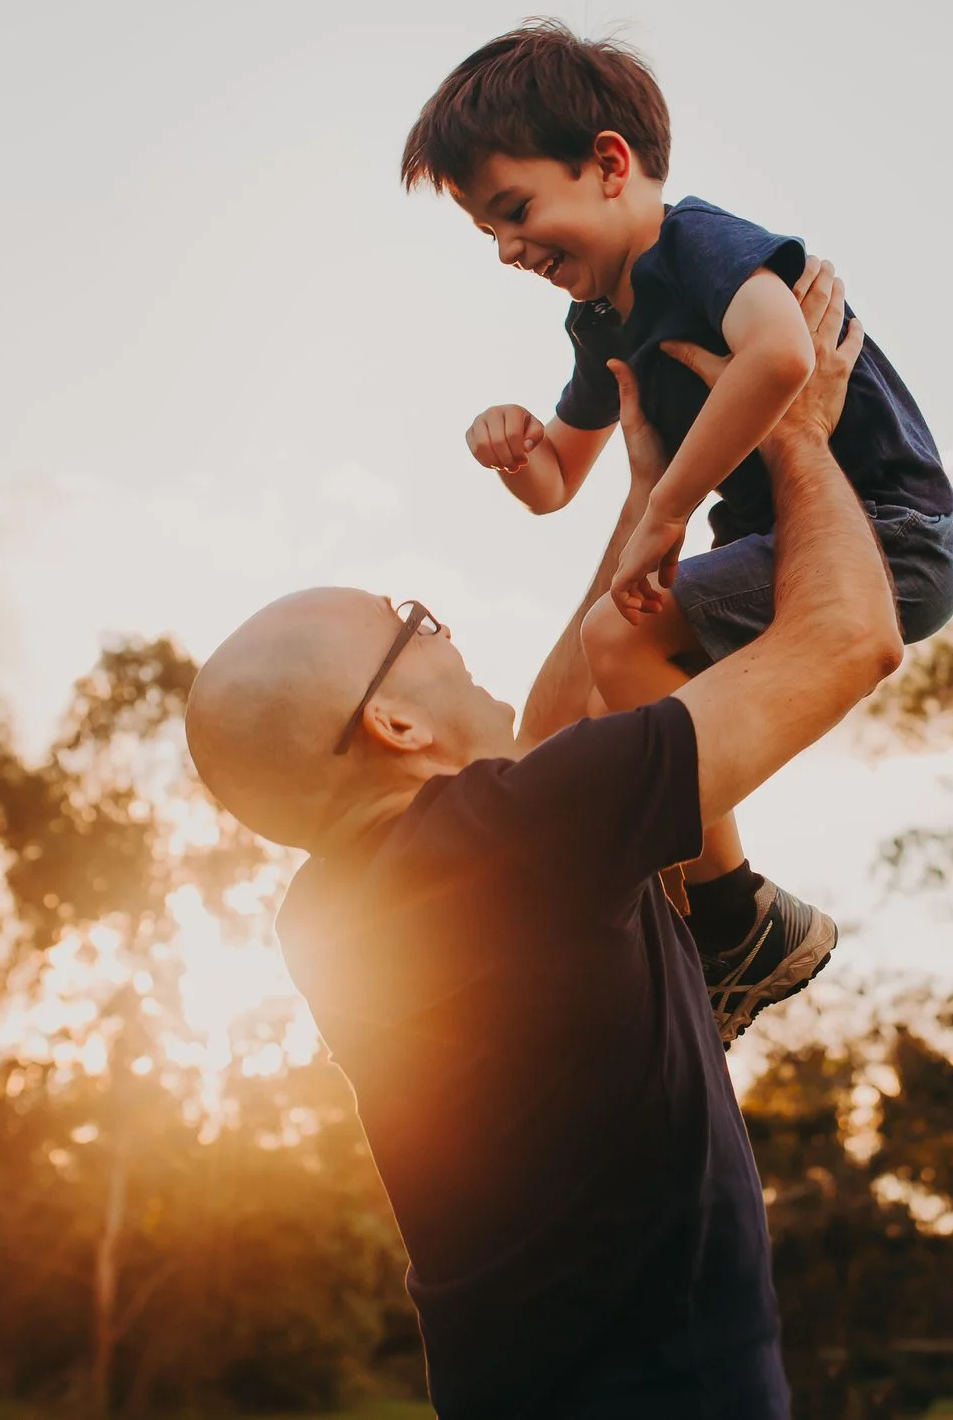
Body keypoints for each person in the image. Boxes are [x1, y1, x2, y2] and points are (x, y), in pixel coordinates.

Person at [184, 259, 898, 1419]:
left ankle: (739, 925)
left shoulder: (335, 909)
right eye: (409, 621)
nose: (442, 629)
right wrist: (799, 435)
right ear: (394, 722)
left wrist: (647, 495)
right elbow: (852, 639)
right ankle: (744, 926)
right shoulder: (507, 842)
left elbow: (549, 741)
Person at [400, 19, 953, 1041]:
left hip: (894, 533)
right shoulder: (598, 321)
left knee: (618, 637)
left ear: (610, 163)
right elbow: (560, 482)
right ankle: (704, 914)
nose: (509, 249)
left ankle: (735, 911)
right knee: (598, 697)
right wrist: (517, 449)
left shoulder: (696, 244)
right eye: (488, 232)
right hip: (779, 551)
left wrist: (665, 514)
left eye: (515, 210)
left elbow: (781, 356)